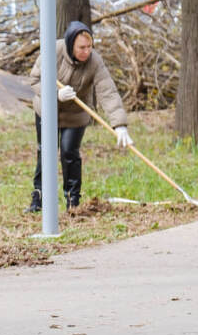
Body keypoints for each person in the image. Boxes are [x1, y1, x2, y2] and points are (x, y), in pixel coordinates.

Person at [27, 21, 132, 212]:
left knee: (69, 153)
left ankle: (72, 201)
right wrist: (55, 94)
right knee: (46, 152)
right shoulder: (53, 51)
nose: (86, 51)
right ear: (70, 45)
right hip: (47, 111)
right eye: (81, 47)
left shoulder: (94, 62)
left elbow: (107, 91)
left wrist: (119, 124)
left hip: (76, 114)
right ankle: (38, 198)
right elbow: (34, 79)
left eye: (89, 47)